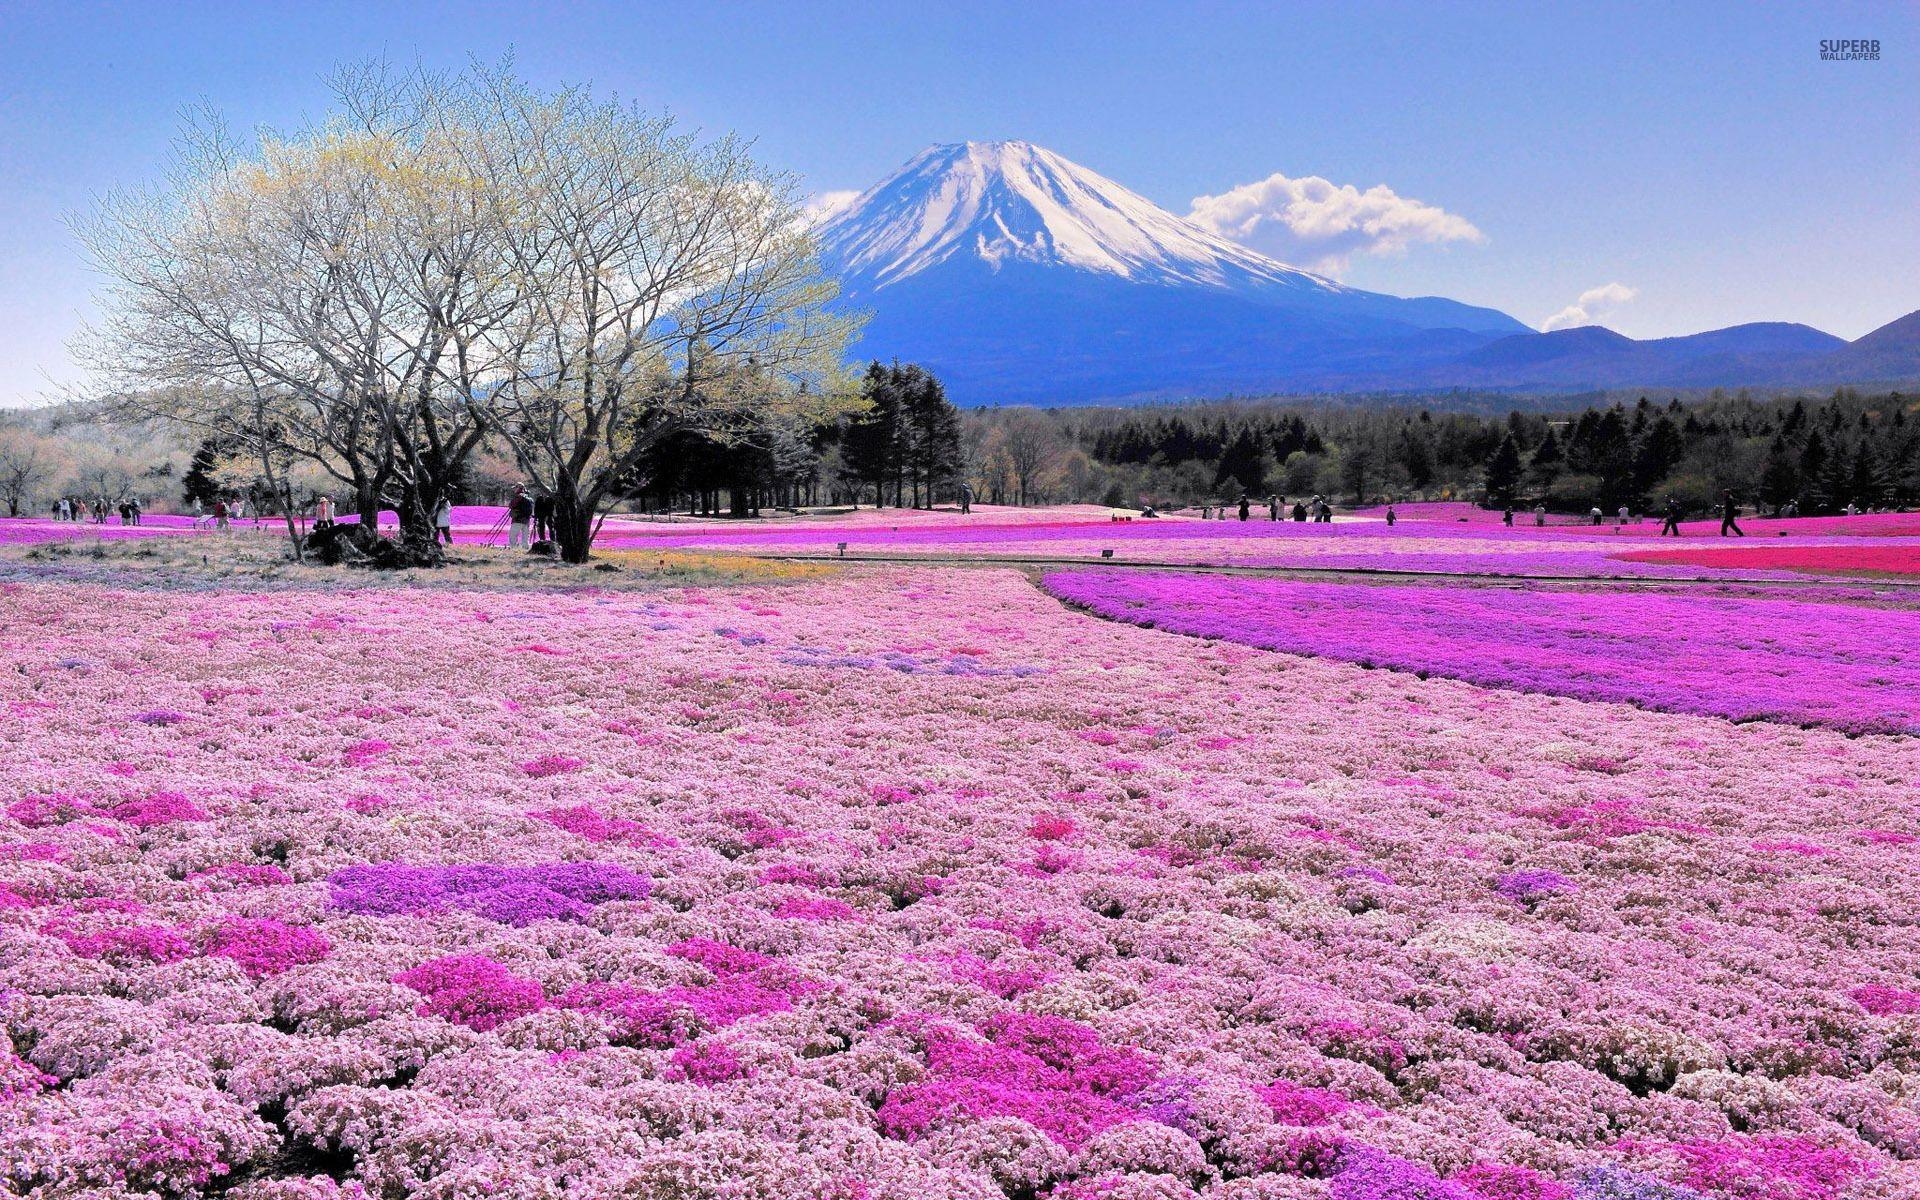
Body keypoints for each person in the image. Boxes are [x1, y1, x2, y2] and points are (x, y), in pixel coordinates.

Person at [508, 485, 534, 549]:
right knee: (525, 538)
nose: (514, 490)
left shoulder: (518, 497)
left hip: (517, 519)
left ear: (519, 488)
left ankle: (514, 548)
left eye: (515, 488)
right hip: (527, 520)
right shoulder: (529, 498)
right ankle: (525, 549)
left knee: (513, 535)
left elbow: (511, 505)